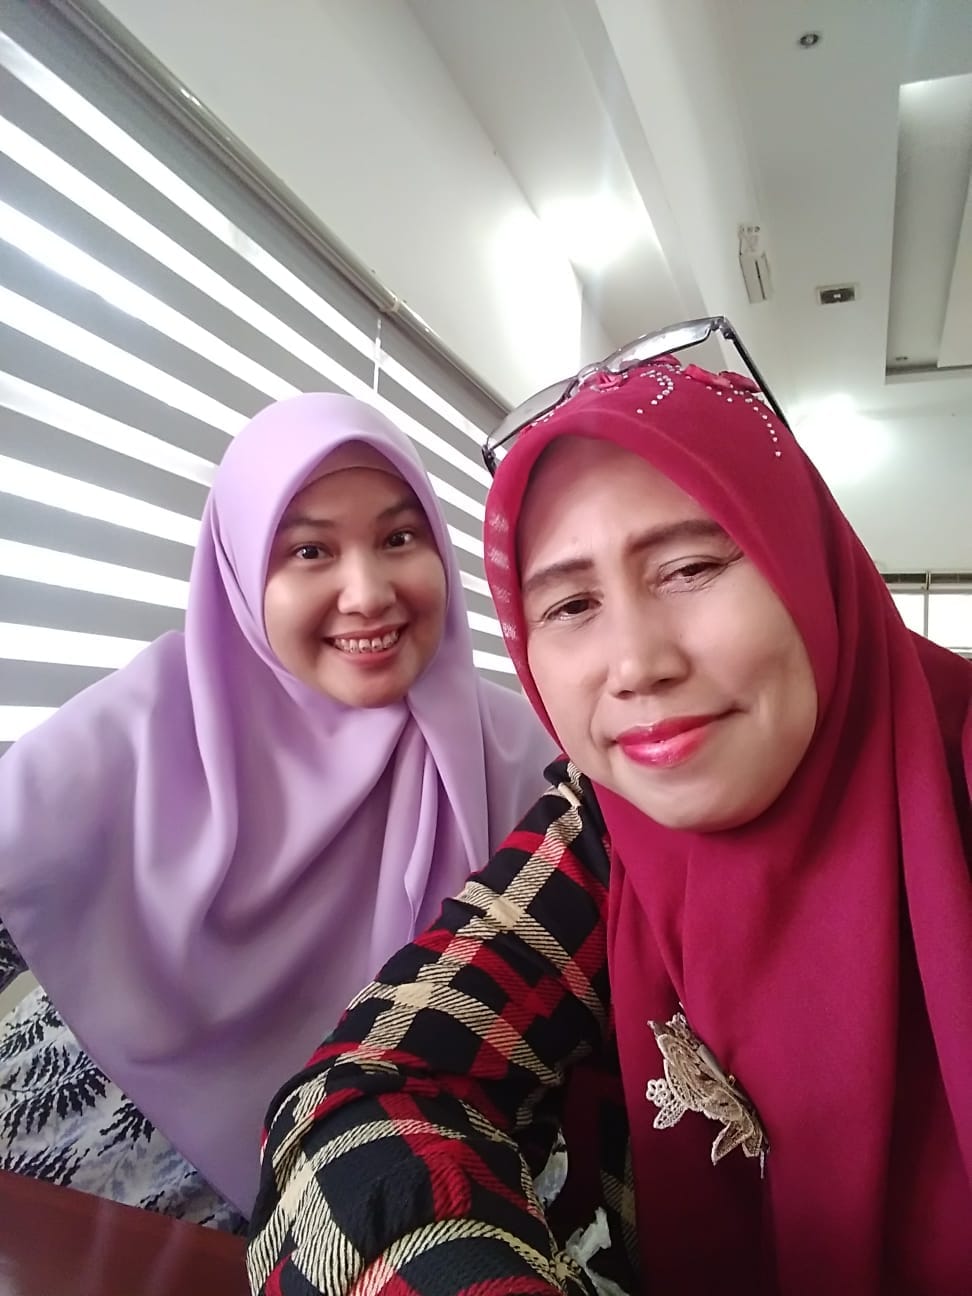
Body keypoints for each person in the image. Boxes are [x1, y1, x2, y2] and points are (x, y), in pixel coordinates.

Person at [246, 335, 972, 1295]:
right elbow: (365, 1094)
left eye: (691, 568)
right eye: (571, 605)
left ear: (808, 565)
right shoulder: (601, 829)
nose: (636, 665)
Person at [0, 392, 554, 1230]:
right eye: (310, 550)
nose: (368, 593)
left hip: (341, 1222)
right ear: (241, 569)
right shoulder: (145, 724)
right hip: (58, 1167)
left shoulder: (520, 760)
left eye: (399, 539)